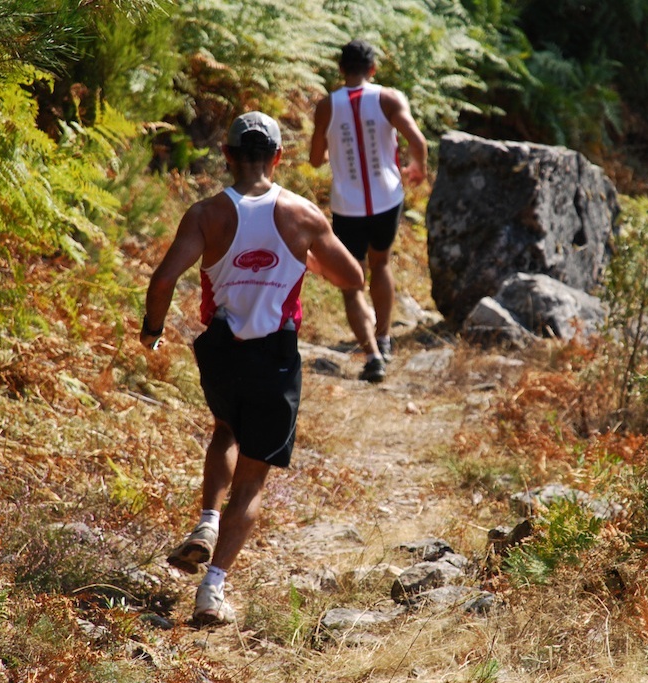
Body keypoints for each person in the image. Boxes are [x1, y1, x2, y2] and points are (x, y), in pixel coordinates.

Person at [140, 111, 364, 626]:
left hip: (220, 349)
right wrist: (307, 260)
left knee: (225, 428)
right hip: (275, 355)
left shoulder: (206, 215)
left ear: (229, 156)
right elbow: (351, 276)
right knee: (254, 477)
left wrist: (152, 330)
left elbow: (163, 279)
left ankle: (206, 520)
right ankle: (211, 590)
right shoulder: (304, 216)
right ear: (278, 158)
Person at [309, 38, 428, 383]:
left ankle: (372, 355)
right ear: (372, 69)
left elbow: (316, 160)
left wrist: (332, 152)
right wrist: (417, 167)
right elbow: (417, 143)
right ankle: (384, 337)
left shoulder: (327, 106)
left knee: (351, 282)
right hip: (386, 199)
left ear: (341, 70)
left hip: (348, 207)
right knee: (381, 264)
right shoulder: (389, 98)